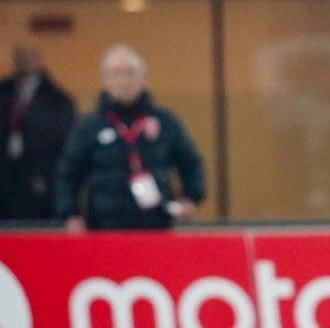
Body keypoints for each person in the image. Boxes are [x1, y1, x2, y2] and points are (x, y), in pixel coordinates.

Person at [55, 44, 204, 231]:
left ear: (144, 79)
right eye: (116, 74)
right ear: (105, 81)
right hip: (103, 227)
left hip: (156, 225)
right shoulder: (88, 126)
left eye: (130, 73)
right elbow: (68, 174)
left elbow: (191, 163)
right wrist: (70, 214)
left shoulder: (165, 122)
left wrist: (191, 198)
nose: (124, 81)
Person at [0, 39, 76, 221]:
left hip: (39, 177)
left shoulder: (56, 99)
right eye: (20, 56)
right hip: (5, 174)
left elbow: (63, 140)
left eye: (29, 56)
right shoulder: (5, 91)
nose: (24, 61)